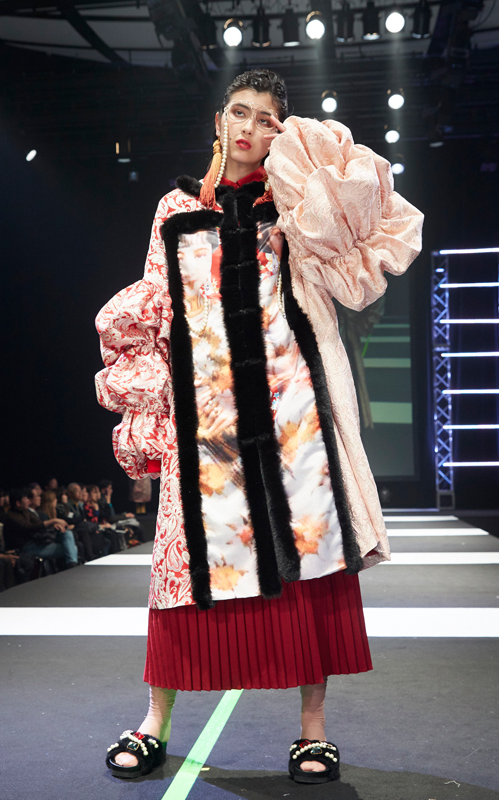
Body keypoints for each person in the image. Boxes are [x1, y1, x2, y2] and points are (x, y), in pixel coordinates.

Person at [96, 69, 423, 783]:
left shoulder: (298, 205)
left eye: (266, 119)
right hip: (204, 420)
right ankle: (155, 720)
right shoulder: (175, 209)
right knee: (181, 576)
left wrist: (308, 154)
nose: (248, 128)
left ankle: (313, 729)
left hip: (292, 417)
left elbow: (366, 229)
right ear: (219, 119)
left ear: (281, 131)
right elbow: (156, 306)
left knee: (311, 565)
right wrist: (155, 411)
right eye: (239, 113)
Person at [4, 489, 78, 569]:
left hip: (37, 542)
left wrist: (54, 525)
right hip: (26, 547)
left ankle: (72, 565)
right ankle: (72, 566)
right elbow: (28, 527)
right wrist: (53, 521)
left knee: (67, 533)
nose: (29, 501)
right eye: (26, 499)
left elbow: (39, 523)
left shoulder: (26, 512)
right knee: (71, 549)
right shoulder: (12, 516)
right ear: (18, 503)